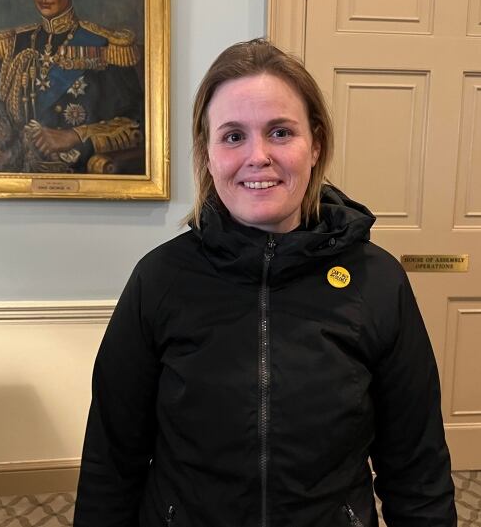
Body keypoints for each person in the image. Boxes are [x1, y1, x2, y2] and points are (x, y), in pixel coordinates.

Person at [74, 39, 456, 526]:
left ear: (315, 145)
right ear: (208, 154)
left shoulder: (378, 283)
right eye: (233, 136)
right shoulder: (160, 280)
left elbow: (416, 467)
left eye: (280, 132)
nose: (258, 156)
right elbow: (112, 458)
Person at [0, 0, 144, 174]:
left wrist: (75, 135)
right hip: (24, 179)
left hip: (80, 177)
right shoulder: (17, 44)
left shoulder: (104, 46)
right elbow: (7, 120)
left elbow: (138, 123)